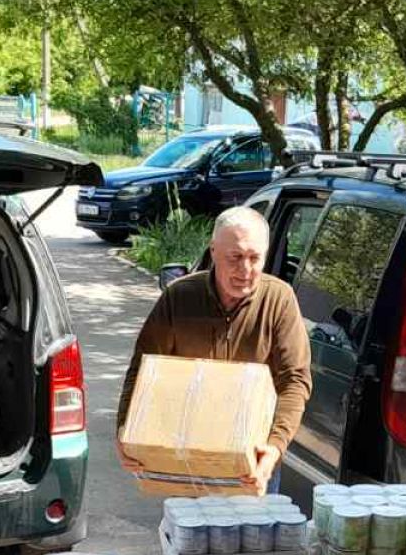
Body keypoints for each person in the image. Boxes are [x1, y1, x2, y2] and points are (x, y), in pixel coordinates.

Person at [115, 206, 311, 490]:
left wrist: (274, 447)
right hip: (186, 454)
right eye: (235, 257)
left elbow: (295, 379)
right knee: (186, 521)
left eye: (255, 258)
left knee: (255, 520)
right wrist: (125, 428)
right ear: (213, 251)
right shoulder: (179, 297)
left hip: (254, 457)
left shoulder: (279, 300)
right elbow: (144, 370)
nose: (245, 270)